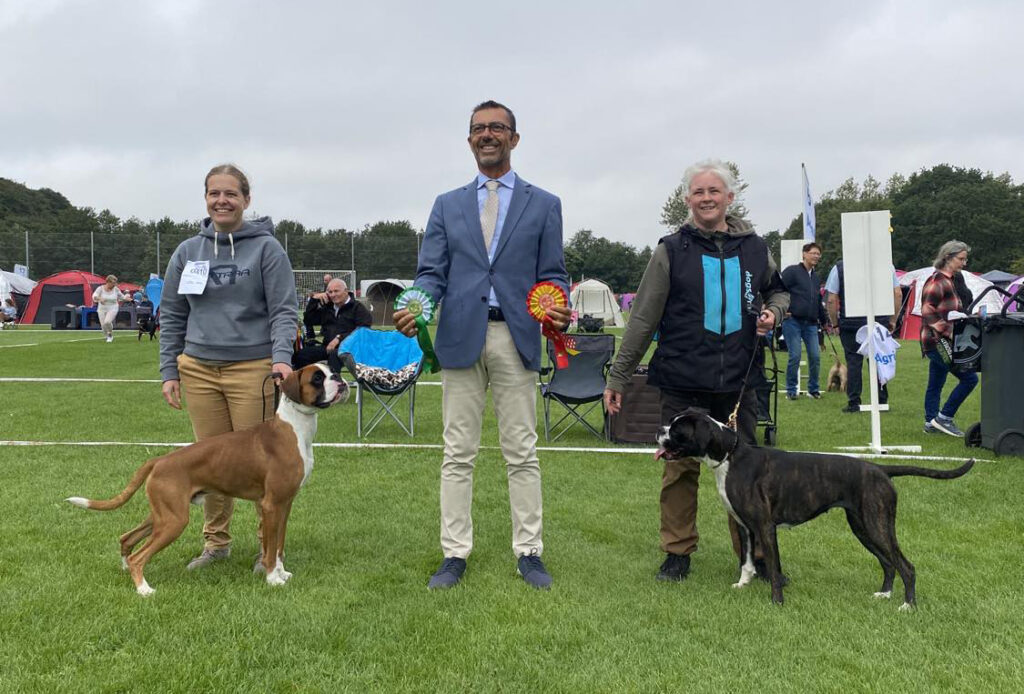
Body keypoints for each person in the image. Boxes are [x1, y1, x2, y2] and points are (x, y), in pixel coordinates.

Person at [393, 100, 571, 590]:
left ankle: (529, 552)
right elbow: (431, 273)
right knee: (457, 452)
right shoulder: (446, 205)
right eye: (478, 128)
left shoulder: (545, 204)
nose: (487, 134)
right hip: (459, 337)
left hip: (517, 336)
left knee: (522, 451)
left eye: (497, 127)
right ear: (469, 139)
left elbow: (553, 274)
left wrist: (557, 304)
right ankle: (454, 554)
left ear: (514, 138)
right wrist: (419, 304)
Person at [603, 159, 789, 582]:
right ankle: (677, 552)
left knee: (748, 474)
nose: (706, 199)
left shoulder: (756, 247)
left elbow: (777, 291)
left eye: (714, 191)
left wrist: (774, 313)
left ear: (730, 198)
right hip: (683, 379)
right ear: (687, 200)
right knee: (679, 470)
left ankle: (755, 555)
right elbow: (643, 318)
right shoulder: (671, 249)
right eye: (698, 192)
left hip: (739, 383)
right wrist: (618, 376)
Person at [159, 164, 298, 570]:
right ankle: (216, 544)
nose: (222, 200)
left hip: (252, 370)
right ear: (205, 199)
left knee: (261, 464)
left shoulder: (267, 249)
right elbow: (171, 314)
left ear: (246, 200)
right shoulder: (188, 252)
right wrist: (170, 370)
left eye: (231, 194)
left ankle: (268, 550)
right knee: (211, 464)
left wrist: (280, 360)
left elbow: (284, 310)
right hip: (199, 369)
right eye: (214, 193)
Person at [825, 260, 902, 413]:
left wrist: (835, 323)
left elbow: (831, 299)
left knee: (853, 363)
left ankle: (854, 402)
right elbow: (897, 294)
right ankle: (882, 400)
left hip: (850, 323)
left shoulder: (838, 268)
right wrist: (892, 320)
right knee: (878, 360)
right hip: (879, 321)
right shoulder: (887, 265)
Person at [920, 241, 978, 437]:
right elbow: (927, 312)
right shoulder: (938, 281)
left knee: (935, 383)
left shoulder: (951, 280)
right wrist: (949, 331)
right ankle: (944, 418)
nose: (964, 263)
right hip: (938, 342)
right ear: (947, 257)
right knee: (969, 379)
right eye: (961, 259)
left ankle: (931, 423)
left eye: (965, 259)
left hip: (941, 340)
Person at [295, 277, 372, 373]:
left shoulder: (358, 308)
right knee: (301, 355)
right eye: (330, 292)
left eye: (336, 291)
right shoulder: (327, 308)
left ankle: (335, 385)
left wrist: (339, 338)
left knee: (334, 356)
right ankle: (310, 384)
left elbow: (363, 330)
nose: (333, 295)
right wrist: (314, 300)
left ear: (346, 291)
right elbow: (309, 320)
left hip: (351, 349)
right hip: (327, 347)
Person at [780, 242, 827, 399]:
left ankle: (813, 389)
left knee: (815, 356)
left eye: (818, 254)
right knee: (795, 355)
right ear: (804, 254)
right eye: (813, 253)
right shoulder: (792, 272)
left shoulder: (815, 277)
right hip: (792, 320)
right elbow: (778, 289)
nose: (816, 256)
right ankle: (791, 390)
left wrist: (824, 319)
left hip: (811, 323)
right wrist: (782, 310)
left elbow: (818, 300)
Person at [92, 274, 130, 342]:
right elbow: (94, 296)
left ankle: (110, 335)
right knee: (103, 326)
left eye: (115, 283)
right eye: (113, 283)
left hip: (113, 307)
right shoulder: (100, 288)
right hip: (102, 308)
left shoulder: (116, 289)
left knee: (107, 322)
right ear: (108, 282)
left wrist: (127, 298)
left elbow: (122, 297)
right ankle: (107, 334)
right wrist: (100, 299)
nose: (114, 285)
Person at [302, 273, 333, 340]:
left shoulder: (333, 287)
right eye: (324, 280)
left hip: (331, 311)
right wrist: (316, 297)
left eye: (326, 280)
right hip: (324, 310)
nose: (325, 282)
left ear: (331, 280)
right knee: (307, 315)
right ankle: (310, 335)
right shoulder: (325, 288)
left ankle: (320, 332)